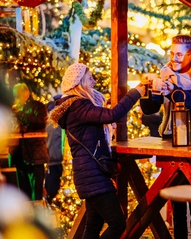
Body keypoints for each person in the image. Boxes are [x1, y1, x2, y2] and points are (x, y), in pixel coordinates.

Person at [48, 63, 145, 239]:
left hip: (89, 174)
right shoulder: (78, 105)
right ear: (80, 81)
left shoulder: (76, 106)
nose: (94, 81)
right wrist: (136, 92)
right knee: (118, 224)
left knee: (93, 227)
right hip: (92, 175)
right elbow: (112, 114)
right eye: (90, 77)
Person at [140, 35, 191, 239]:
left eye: (179, 54)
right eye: (172, 53)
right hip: (170, 142)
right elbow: (149, 109)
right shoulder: (164, 77)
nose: (174, 58)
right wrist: (150, 89)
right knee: (177, 203)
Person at [12, 82, 49, 201]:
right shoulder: (14, 108)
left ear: (26, 93)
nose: (16, 98)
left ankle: (36, 215)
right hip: (19, 154)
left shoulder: (38, 106)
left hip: (35, 153)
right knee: (23, 190)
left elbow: (40, 122)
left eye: (18, 95)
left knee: (36, 191)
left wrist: (20, 114)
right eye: (15, 95)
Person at [45, 94, 63, 204]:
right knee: (54, 186)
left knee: (52, 186)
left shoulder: (48, 124)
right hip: (58, 159)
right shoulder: (59, 124)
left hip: (52, 159)